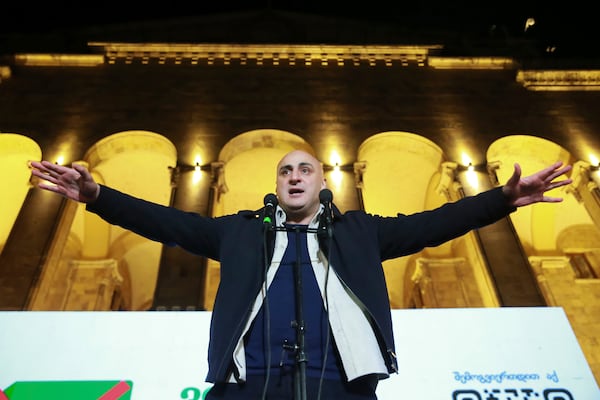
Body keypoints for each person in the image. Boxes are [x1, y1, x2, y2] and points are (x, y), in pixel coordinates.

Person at [29, 150, 572, 400]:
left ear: (320, 183)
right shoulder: (238, 232)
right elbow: (165, 222)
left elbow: (436, 222)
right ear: (277, 184)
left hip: (339, 386)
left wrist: (501, 200)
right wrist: (97, 196)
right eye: (285, 170)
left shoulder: (360, 232)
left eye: (304, 169)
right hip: (247, 388)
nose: (293, 176)